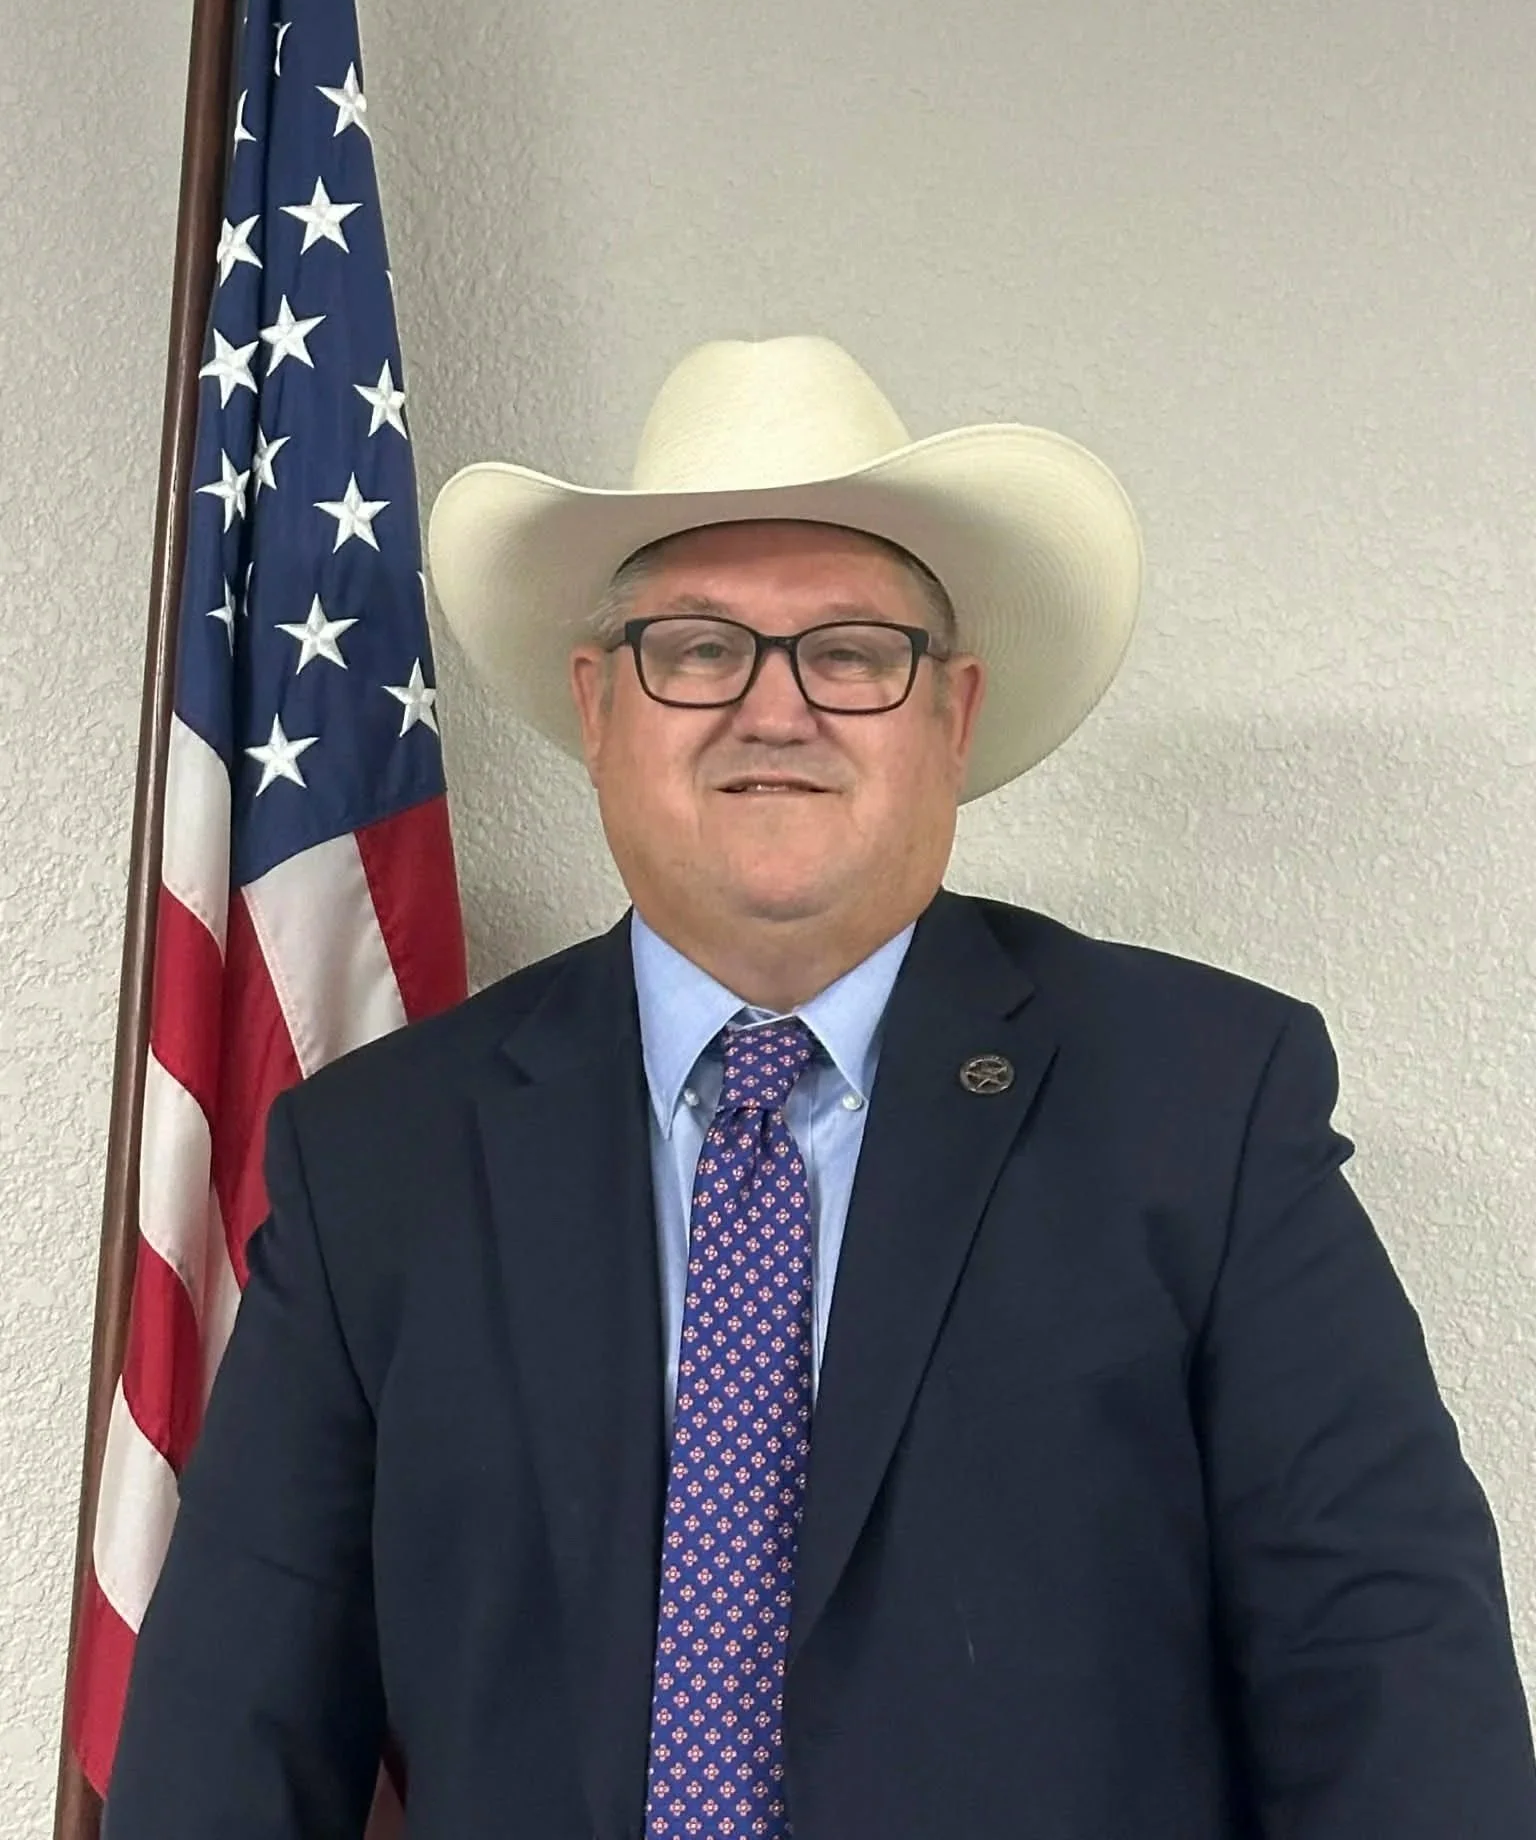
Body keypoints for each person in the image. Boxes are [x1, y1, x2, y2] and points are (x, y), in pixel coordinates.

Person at [107, 335, 1536, 1838]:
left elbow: (1393, 1690)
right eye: (698, 647)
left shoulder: (1204, 1106)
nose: (773, 709)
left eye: (852, 651)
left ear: (951, 714)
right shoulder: (376, 1164)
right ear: (599, 708)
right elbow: (231, 1747)